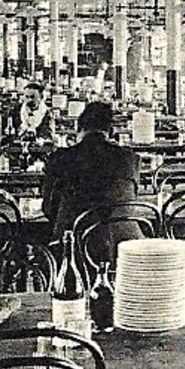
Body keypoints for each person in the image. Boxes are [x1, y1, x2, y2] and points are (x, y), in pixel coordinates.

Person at [41, 101, 142, 262]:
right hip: (126, 247)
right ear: (111, 131)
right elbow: (129, 202)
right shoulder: (130, 159)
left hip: (76, 248)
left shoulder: (59, 158)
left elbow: (48, 208)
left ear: (78, 129)